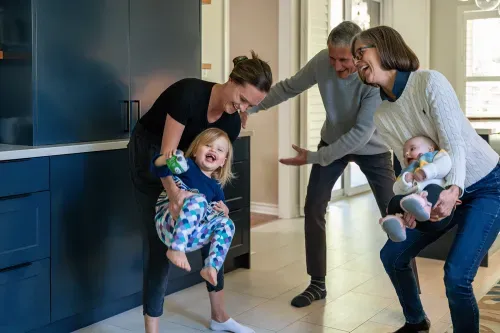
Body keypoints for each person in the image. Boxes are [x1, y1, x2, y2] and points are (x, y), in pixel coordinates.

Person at [351, 25, 500, 333]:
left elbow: (453, 142)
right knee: (392, 255)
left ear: (385, 47)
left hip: (486, 185)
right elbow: (407, 164)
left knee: (457, 277)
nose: (355, 62)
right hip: (437, 189)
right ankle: (416, 322)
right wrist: (408, 203)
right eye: (354, 57)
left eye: (360, 51)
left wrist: (455, 188)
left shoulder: (429, 81)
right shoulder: (382, 114)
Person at [243, 21, 395, 308]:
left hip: (373, 149)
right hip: (333, 140)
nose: (337, 66)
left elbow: (361, 134)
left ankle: (410, 296)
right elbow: (288, 88)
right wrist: (248, 107)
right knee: (313, 207)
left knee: (395, 215)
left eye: (344, 60)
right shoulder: (321, 64)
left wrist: (313, 157)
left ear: (359, 55)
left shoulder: (372, 78)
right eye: (332, 58)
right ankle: (317, 284)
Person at [128, 50, 272, 333]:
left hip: (187, 165)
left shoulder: (231, 121)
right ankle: (151, 330)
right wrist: (173, 195)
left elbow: (214, 169)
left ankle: (219, 316)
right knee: (161, 243)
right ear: (232, 80)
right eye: (242, 100)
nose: (242, 109)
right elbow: (167, 154)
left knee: (213, 226)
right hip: (153, 155)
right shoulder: (189, 93)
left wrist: (217, 206)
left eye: (249, 107)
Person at [151, 128, 235, 287]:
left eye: (219, 149)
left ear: (222, 161)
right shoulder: (187, 166)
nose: (212, 150)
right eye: (208, 145)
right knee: (199, 201)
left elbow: (220, 211)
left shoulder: (215, 187)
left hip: (191, 236)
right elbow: (157, 168)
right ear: (195, 151)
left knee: (228, 224)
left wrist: (225, 211)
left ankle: (211, 266)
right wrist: (166, 159)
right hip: (168, 223)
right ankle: (176, 249)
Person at [380, 135, 455, 242]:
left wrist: (425, 172)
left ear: (430, 149)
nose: (406, 154)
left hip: (437, 214)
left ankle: (423, 207)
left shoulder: (434, 157)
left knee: (433, 189)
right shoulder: (407, 171)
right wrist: (405, 181)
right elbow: (396, 190)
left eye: (412, 149)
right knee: (395, 200)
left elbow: (446, 164)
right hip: (417, 221)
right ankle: (397, 224)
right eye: (404, 154)